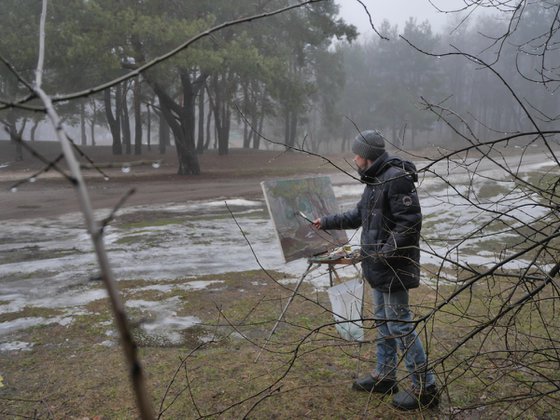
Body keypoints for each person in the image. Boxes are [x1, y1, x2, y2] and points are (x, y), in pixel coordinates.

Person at [312, 130, 438, 411]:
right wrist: (326, 221)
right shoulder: (374, 181)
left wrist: (384, 251)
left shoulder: (395, 178)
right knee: (383, 321)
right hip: (378, 267)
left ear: (366, 156)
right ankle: (385, 376)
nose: (354, 158)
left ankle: (425, 387)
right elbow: (358, 215)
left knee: (400, 325)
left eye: (356, 153)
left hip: (394, 267)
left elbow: (410, 223)